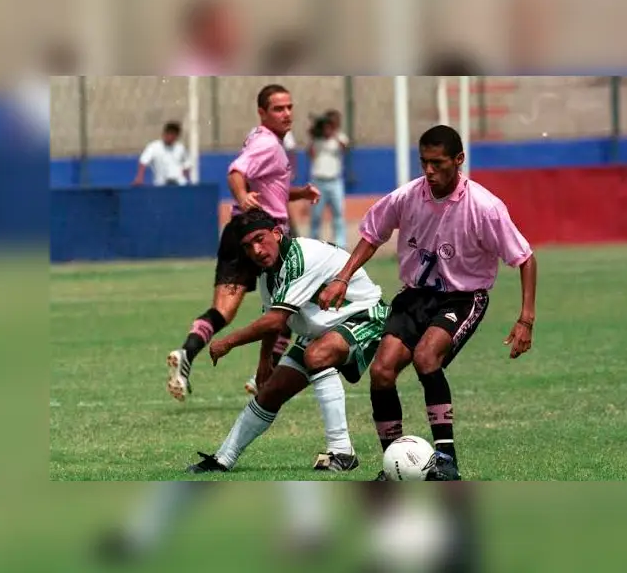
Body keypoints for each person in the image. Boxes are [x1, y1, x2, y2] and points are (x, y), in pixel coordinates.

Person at [318, 124, 538, 481]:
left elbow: (525, 258)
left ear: (459, 160)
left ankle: (446, 460)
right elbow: (372, 234)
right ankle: (393, 464)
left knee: (426, 357)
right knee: (381, 370)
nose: (430, 171)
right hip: (415, 296)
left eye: (438, 163)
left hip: (463, 297)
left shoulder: (484, 206)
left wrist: (525, 319)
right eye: (424, 163)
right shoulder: (408, 196)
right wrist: (343, 277)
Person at [186, 208, 391, 473]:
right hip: (322, 331)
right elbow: (272, 319)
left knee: (317, 356)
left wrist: (227, 342)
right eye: (248, 246)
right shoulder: (267, 273)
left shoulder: (301, 257)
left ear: (276, 232)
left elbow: (276, 321)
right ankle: (223, 459)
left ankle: (342, 452)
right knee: (271, 391)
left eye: (260, 239)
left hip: (364, 316)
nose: (257, 250)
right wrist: (264, 363)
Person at [166, 84, 319, 402]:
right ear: (262, 112)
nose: (287, 113)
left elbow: (267, 187)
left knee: (223, 311)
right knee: (291, 306)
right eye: (278, 109)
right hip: (267, 237)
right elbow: (236, 172)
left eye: (290, 107)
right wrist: (241, 195)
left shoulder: (261, 139)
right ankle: (264, 374)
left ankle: (186, 354)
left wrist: (299, 192)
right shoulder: (266, 144)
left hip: (238, 232)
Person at [308, 109, 350, 249]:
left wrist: (333, 133)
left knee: (338, 213)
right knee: (316, 215)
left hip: (335, 181)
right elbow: (310, 153)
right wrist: (315, 133)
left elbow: (345, 147)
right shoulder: (317, 140)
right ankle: (313, 243)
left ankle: (341, 244)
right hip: (318, 181)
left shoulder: (339, 137)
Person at [132, 121, 191, 187]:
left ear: (176, 136)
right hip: (161, 185)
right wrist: (139, 178)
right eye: (168, 134)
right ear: (164, 134)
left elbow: (187, 164)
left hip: (179, 185)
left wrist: (184, 177)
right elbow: (143, 162)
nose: (170, 137)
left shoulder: (180, 148)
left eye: (173, 134)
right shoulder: (154, 147)